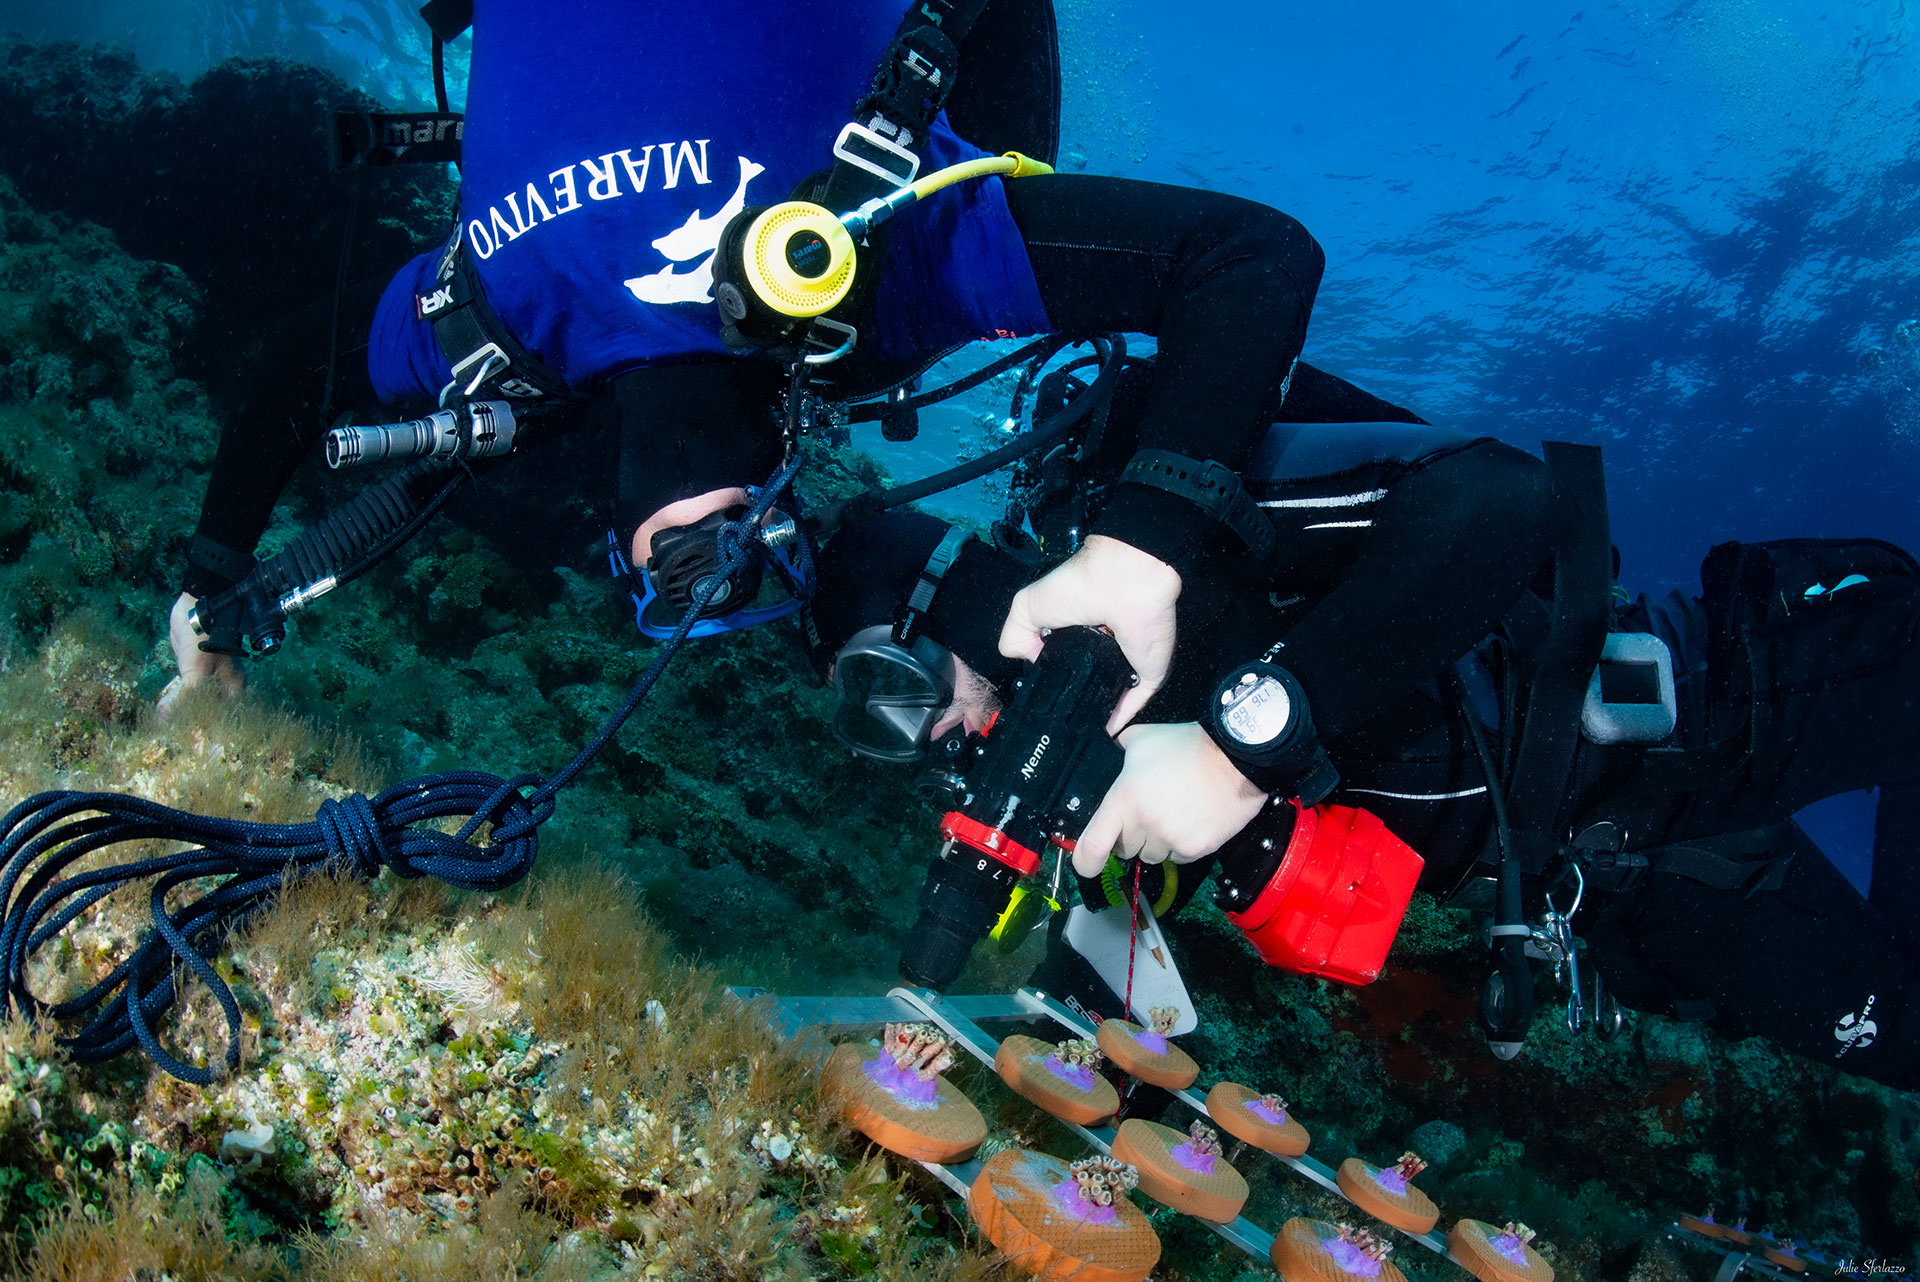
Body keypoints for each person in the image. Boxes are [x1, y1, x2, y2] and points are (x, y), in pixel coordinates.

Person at [161, 0, 1331, 737]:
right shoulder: (495, 312)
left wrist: (1136, 555)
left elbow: (1256, 259)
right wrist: (209, 590)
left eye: (695, 570)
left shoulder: (875, 259)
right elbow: (293, 370)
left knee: (1005, 162)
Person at [805, 410, 1920, 1090]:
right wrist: (1065, 1056)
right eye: (871, 731)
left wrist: (1237, 752)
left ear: (946, 594)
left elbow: (1503, 498)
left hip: (1722, 695)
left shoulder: (1169, 536)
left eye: (890, 685)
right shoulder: (1075, 734)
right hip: (1634, 879)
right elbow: (1132, 926)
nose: (921, 732)